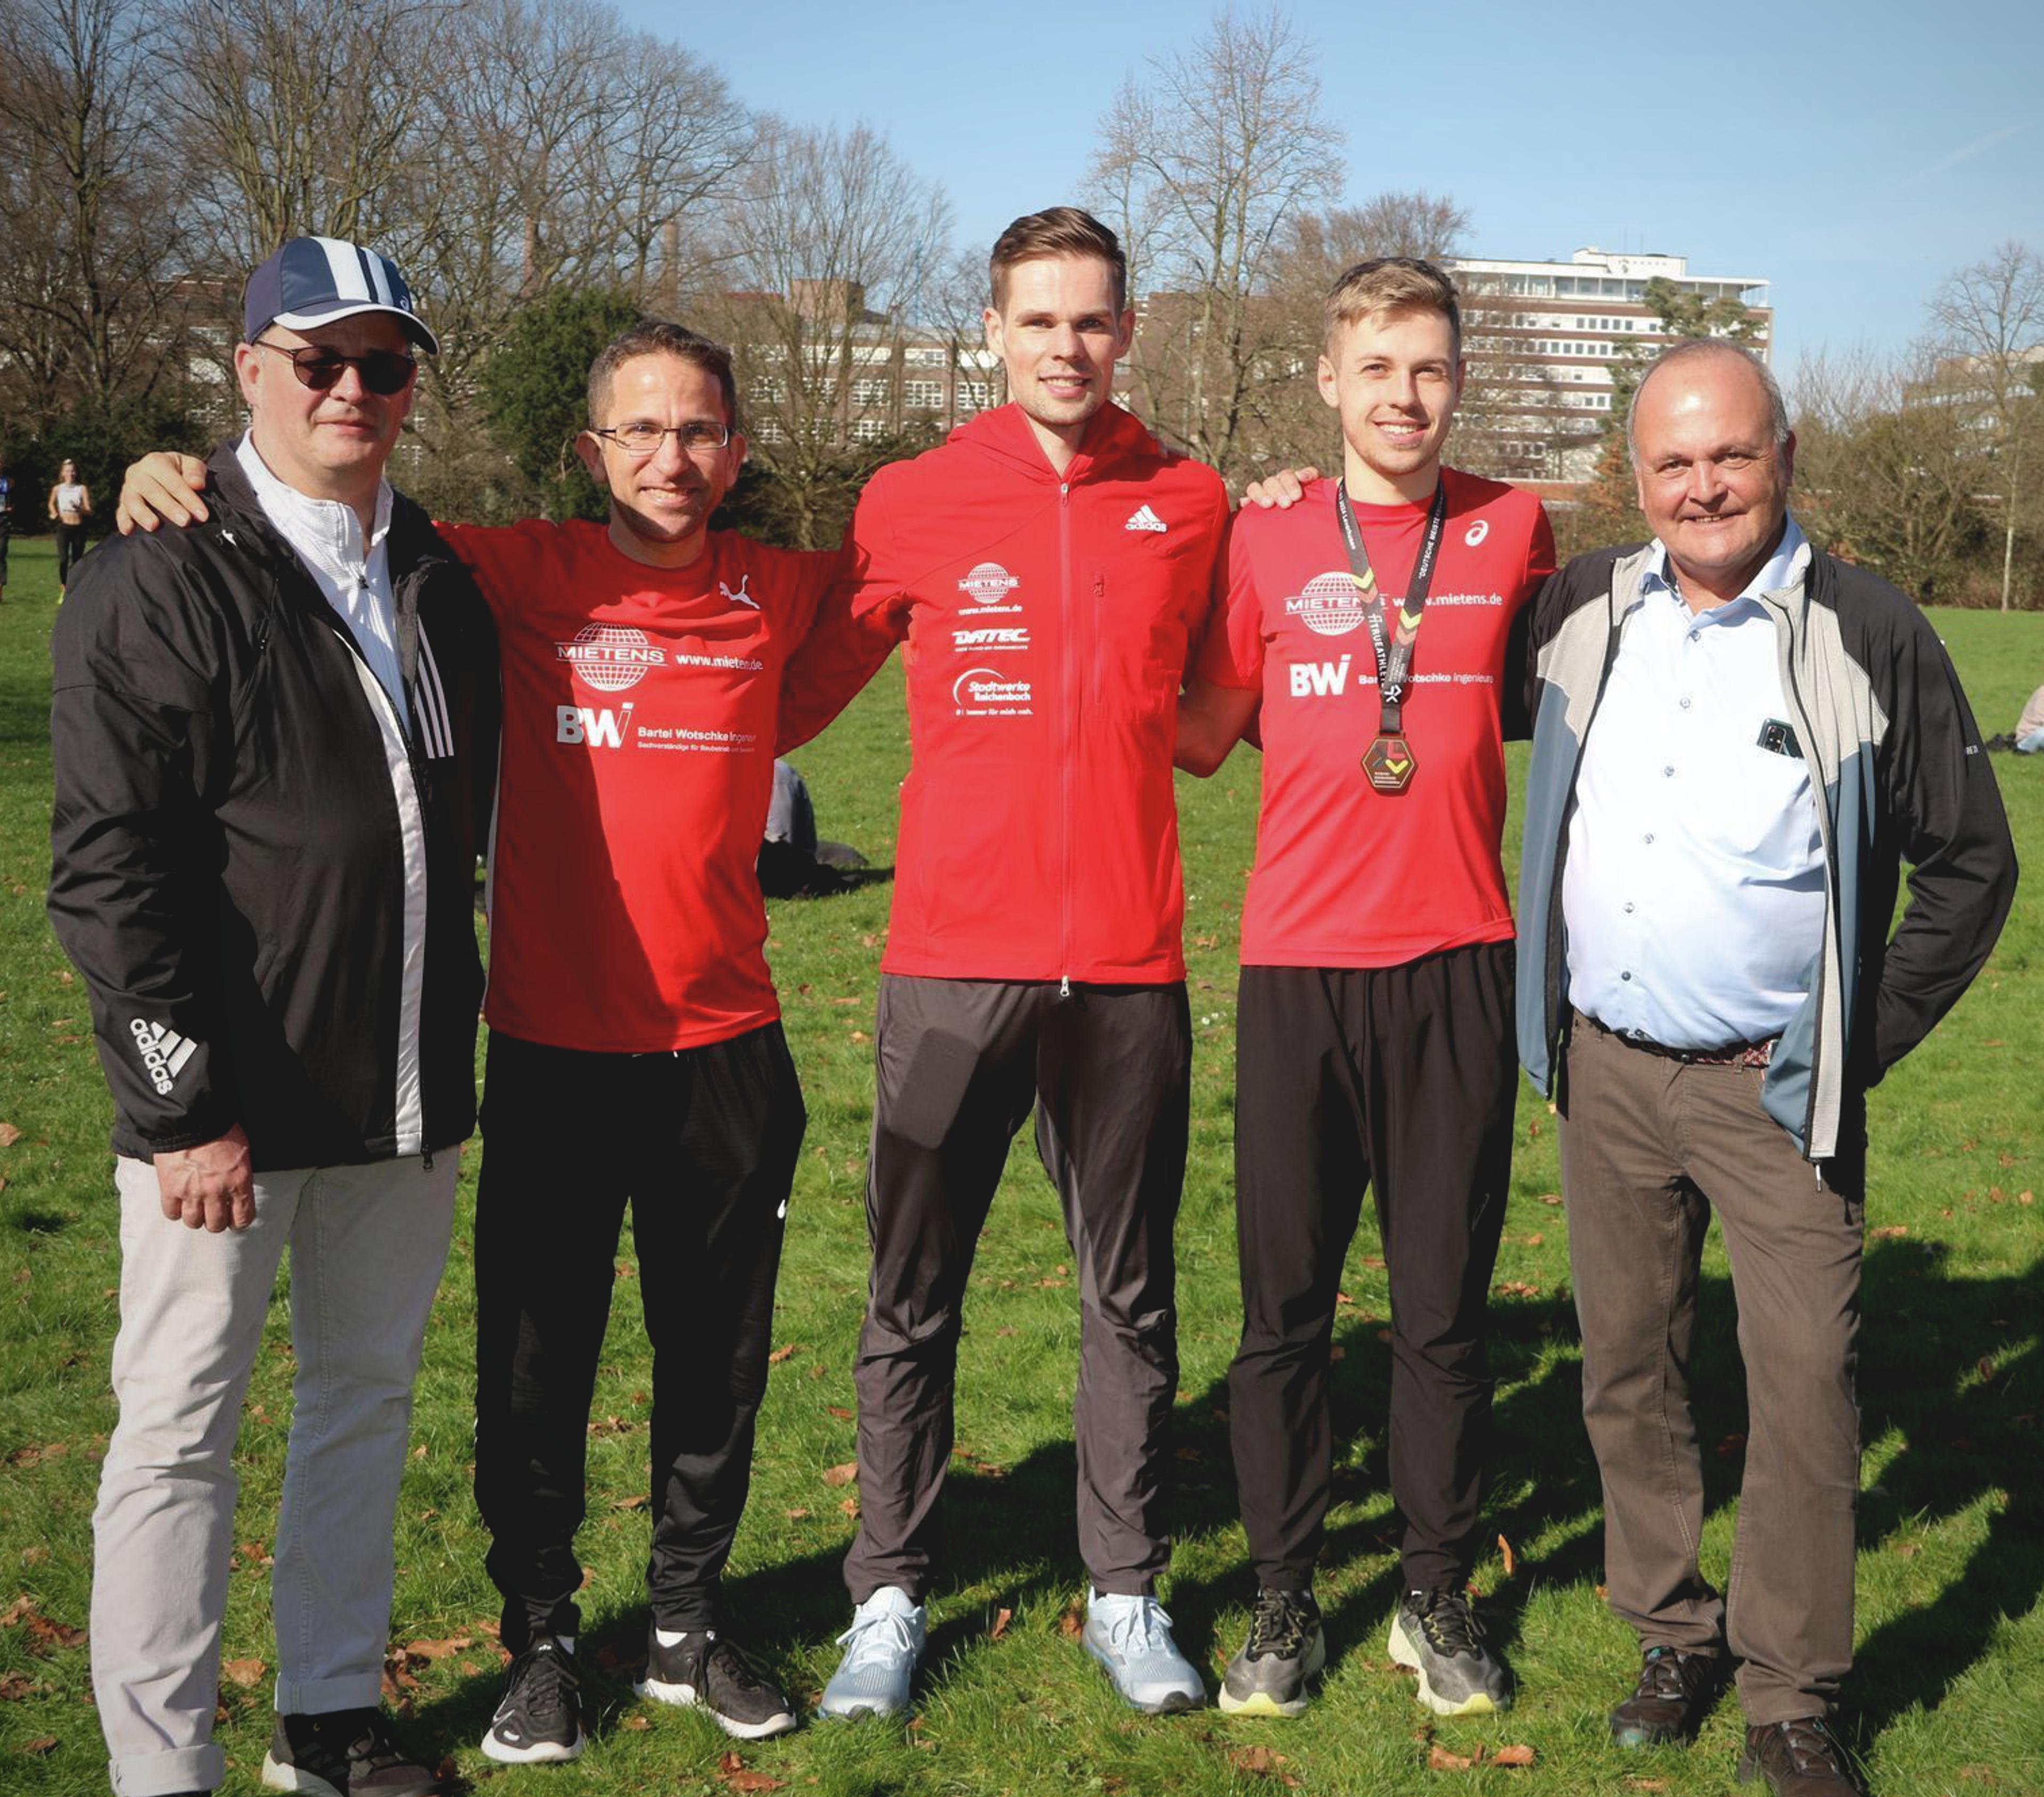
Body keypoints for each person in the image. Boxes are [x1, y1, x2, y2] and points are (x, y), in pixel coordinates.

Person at [117, 321, 837, 1757]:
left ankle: (687, 1623)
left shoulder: (782, 589)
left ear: (737, 450)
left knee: (716, 1359)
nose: (670, 457)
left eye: (698, 431)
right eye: (639, 430)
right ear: (589, 451)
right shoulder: (500, 571)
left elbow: (946, 556)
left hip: (729, 1049)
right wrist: (173, 469)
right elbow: (323, 503)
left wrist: (1260, 493)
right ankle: (542, 1641)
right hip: (550, 1046)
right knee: (533, 1365)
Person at [1515, 339, 2016, 1795]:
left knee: (1803, 1387)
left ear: (1784, 456)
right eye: (1670, 462)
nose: (1703, 486)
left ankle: (1790, 1691)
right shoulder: (1583, 606)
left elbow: (1970, 866)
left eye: (1730, 454)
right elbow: (1425, 631)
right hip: (1606, 1073)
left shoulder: (1868, 628)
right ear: (1633, 476)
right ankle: (1670, 1630)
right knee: (1629, 1370)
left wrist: (1848, 1047)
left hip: (1775, 1089)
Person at [48, 237, 499, 1797]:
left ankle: (329, 1720)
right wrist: (182, 1109)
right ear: (249, 371)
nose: (353, 389)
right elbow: (110, 875)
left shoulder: (440, 574)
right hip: (225, 1110)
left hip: (404, 1093)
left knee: (362, 1408)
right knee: (177, 1433)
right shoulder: (160, 570)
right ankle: (159, 1766)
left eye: (384, 362)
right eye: (319, 359)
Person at [777, 207, 1231, 1719]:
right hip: (950, 960)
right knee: (910, 1295)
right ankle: (887, 1596)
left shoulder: (1189, 497)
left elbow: (1216, 715)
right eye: (1038, 319)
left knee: (1128, 1296)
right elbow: (793, 686)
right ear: (991, 331)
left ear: (1127, 329)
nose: (1066, 345)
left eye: (1091, 319)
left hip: (1127, 964)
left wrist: (1299, 514)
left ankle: (1124, 1591)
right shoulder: (909, 498)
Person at [1175, 258, 1554, 1720]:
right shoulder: (1265, 534)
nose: (1405, 395)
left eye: (1430, 368)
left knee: (1441, 1315)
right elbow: (1205, 727)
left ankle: (1432, 1596)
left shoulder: (1513, 527)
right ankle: (1283, 1597)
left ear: (1459, 382)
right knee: (1283, 1314)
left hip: (1458, 964)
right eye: (1377, 368)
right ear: (1328, 380)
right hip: (1298, 972)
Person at [49, 456, 93, 597]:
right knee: (63, 559)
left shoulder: (81, 489)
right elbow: (51, 503)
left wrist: (80, 509)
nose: (71, 474)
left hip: (78, 528)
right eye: (68, 471)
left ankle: (74, 587)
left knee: (77, 560)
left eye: (73, 471)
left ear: (76, 473)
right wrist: (54, 512)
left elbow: (89, 510)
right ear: (62, 473)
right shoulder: (58, 489)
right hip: (64, 528)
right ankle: (64, 587)